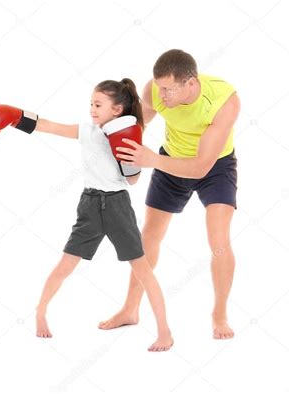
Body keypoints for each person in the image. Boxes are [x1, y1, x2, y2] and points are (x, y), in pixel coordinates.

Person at [0, 78, 174, 351]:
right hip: (90, 205)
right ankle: (40, 312)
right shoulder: (87, 131)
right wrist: (15, 117)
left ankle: (164, 331)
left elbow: (132, 181)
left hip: (118, 205)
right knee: (65, 266)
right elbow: (48, 126)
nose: (92, 109)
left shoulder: (130, 131)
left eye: (98, 104)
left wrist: (132, 162)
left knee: (142, 270)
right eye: (90, 104)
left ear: (117, 110)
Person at [100, 49, 240, 340]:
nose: (160, 94)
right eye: (158, 86)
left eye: (168, 89)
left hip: (215, 167)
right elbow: (140, 125)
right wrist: (117, 150)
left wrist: (150, 161)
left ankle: (219, 314)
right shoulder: (154, 90)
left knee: (219, 242)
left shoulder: (224, 102)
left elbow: (201, 167)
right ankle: (130, 309)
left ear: (190, 83)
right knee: (148, 236)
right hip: (170, 158)